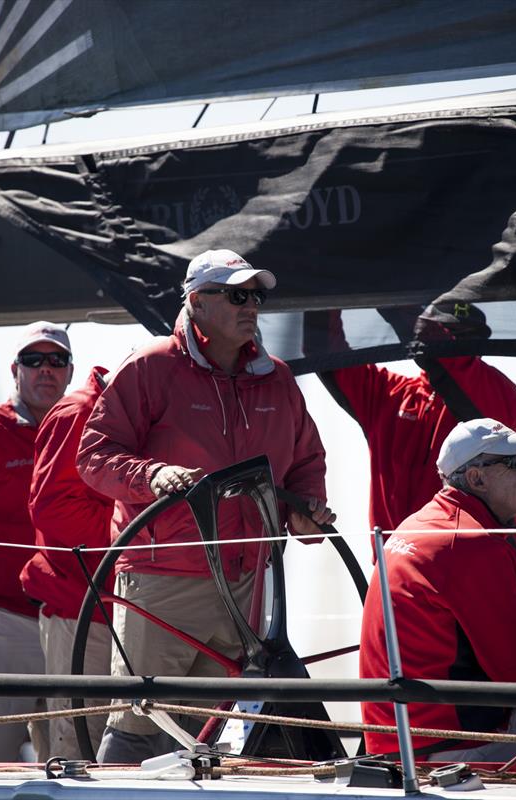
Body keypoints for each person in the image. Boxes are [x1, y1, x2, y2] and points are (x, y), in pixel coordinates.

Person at [77, 248, 335, 763]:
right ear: (197, 301)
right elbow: (94, 456)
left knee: (204, 733)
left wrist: (307, 511)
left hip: (244, 580)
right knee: (141, 722)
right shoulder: (151, 366)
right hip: (164, 578)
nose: (251, 306)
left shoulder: (277, 378)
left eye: (256, 296)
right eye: (237, 295)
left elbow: (305, 458)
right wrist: (152, 474)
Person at [360, 417, 516, 761]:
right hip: (446, 745)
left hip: (401, 736)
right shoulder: (470, 542)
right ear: (477, 478)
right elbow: (515, 669)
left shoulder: (431, 520)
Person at [304, 305, 516, 556]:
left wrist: (384, 289)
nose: (459, 346)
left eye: (465, 338)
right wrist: (329, 282)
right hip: (397, 565)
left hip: (476, 565)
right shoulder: (391, 394)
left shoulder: (502, 394)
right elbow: (324, 351)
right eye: (451, 336)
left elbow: (439, 356)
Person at [20, 366, 114, 760]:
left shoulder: (151, 411)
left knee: (120, 740)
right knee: (76, 748)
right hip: (80, 607)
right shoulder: (81, 411)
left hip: (128, 607)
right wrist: (134, 541)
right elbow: (53, 507)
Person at [0, 321, 73, 762]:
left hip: (71, 622)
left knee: (69, 763)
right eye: (34, 360)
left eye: (56, 360)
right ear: (15, 370)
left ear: (69, 371)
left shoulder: (88, 430)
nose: (46, 369)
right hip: (4, 625)